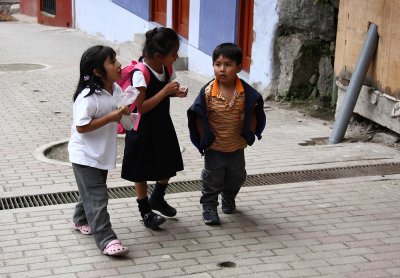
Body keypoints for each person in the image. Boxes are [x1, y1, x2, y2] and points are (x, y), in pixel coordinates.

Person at [187, 43, 266, 225]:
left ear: (239, 67)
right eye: (217, 64)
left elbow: (254, 113)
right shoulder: (208, 92)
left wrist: (250, 133)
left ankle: (229, 197)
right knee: (212, 178)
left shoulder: (245, 93)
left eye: (228, 65)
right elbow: (198, 116)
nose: (222, 69)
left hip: (237, 146)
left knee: (237, 176)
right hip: (215, 147)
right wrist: (205, 140)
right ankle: (209, 207)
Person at [121, 27, 187, 229]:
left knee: (168, 161)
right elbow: (141, 107)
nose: (176, 57)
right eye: (174, 54)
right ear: (158, 56)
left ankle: (158, 197)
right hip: (142, 128)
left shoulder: (166, 68)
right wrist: (166, 91)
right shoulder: (141, 73)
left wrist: (175, 93)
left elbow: (163, 93)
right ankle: (145, 211)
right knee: (140, 170)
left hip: (162, 124)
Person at [68, 45, 130, 256]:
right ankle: (106, 239)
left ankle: (80, 219)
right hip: (84, 155)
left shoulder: (116, 90)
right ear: (97, 71)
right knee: (98, 196)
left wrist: (126, 113)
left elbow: (124, 116)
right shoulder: (88, 97)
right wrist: (112, 117)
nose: (119, 64)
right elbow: (82, 127)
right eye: (112, 61)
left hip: (101, 154)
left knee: (92, 193)